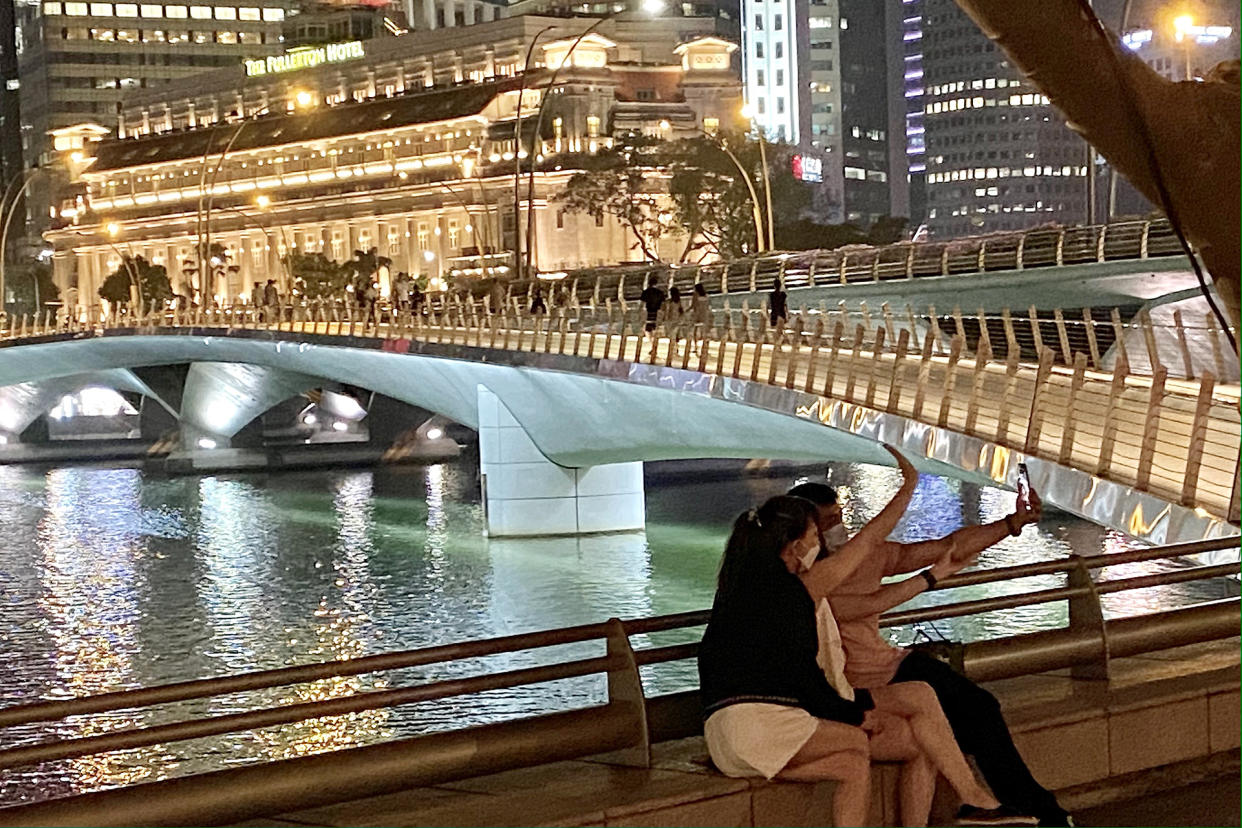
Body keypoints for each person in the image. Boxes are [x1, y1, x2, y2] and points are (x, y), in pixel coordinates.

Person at [701, 459, 1029, 827]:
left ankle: (974, 802)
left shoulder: (742, 588)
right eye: (816, 535)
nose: (822, 541)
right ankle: (976, 801)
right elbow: (804, 674)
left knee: (882, 751)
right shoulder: (797, 589)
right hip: (763, 725)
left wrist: (934, 574)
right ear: (794, 547)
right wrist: (908, 487)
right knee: (858, 741)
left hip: (738, 731)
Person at [788, 472, 1071, 827]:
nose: (839, 529)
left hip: (890, 665)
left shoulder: (864, 556)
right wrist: (932, 578)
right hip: (854, 686)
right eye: (827, 523)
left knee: (979, 708)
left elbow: (947, 546)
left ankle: (1018, 807)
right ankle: (1016, 809)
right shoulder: (801, 581)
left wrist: (1012, 523)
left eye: (840, 518)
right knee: (964, 718)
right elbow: (867, 604)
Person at [639, 276, 665, 357]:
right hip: (657, 313)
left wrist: (640, 313)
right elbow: (663, 304)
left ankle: (653, 345)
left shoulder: (646, 292)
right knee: (654, 330)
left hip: (649, 313)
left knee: (647, 330)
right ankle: (654, 346)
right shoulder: (660, 293)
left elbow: (642, 304)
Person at [690, 282, 712, 354]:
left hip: (697, 315)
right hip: (705, 315)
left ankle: (696, 347)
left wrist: (687, 311)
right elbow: (708, 306)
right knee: (704, 332)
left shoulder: (695, 295)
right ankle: (705, 347)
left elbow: (693, 305)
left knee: (695, 331)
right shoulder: (707, 296)